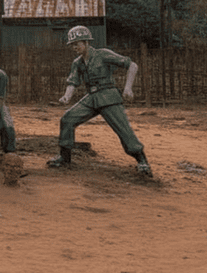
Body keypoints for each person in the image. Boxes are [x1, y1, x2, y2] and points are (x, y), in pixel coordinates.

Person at [48, 26, 151, 176]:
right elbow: (73, 82)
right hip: (91, 97)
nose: (74, 47)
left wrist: (128, 88)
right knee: (67, 119)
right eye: (72, 45)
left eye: (77, 44)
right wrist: (66, 97)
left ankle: (142, 161)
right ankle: (65, 157)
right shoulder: (77, 63)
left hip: (108, 96)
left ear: (86, 42)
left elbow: (132, 65)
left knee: (123, 129)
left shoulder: (103, 54)